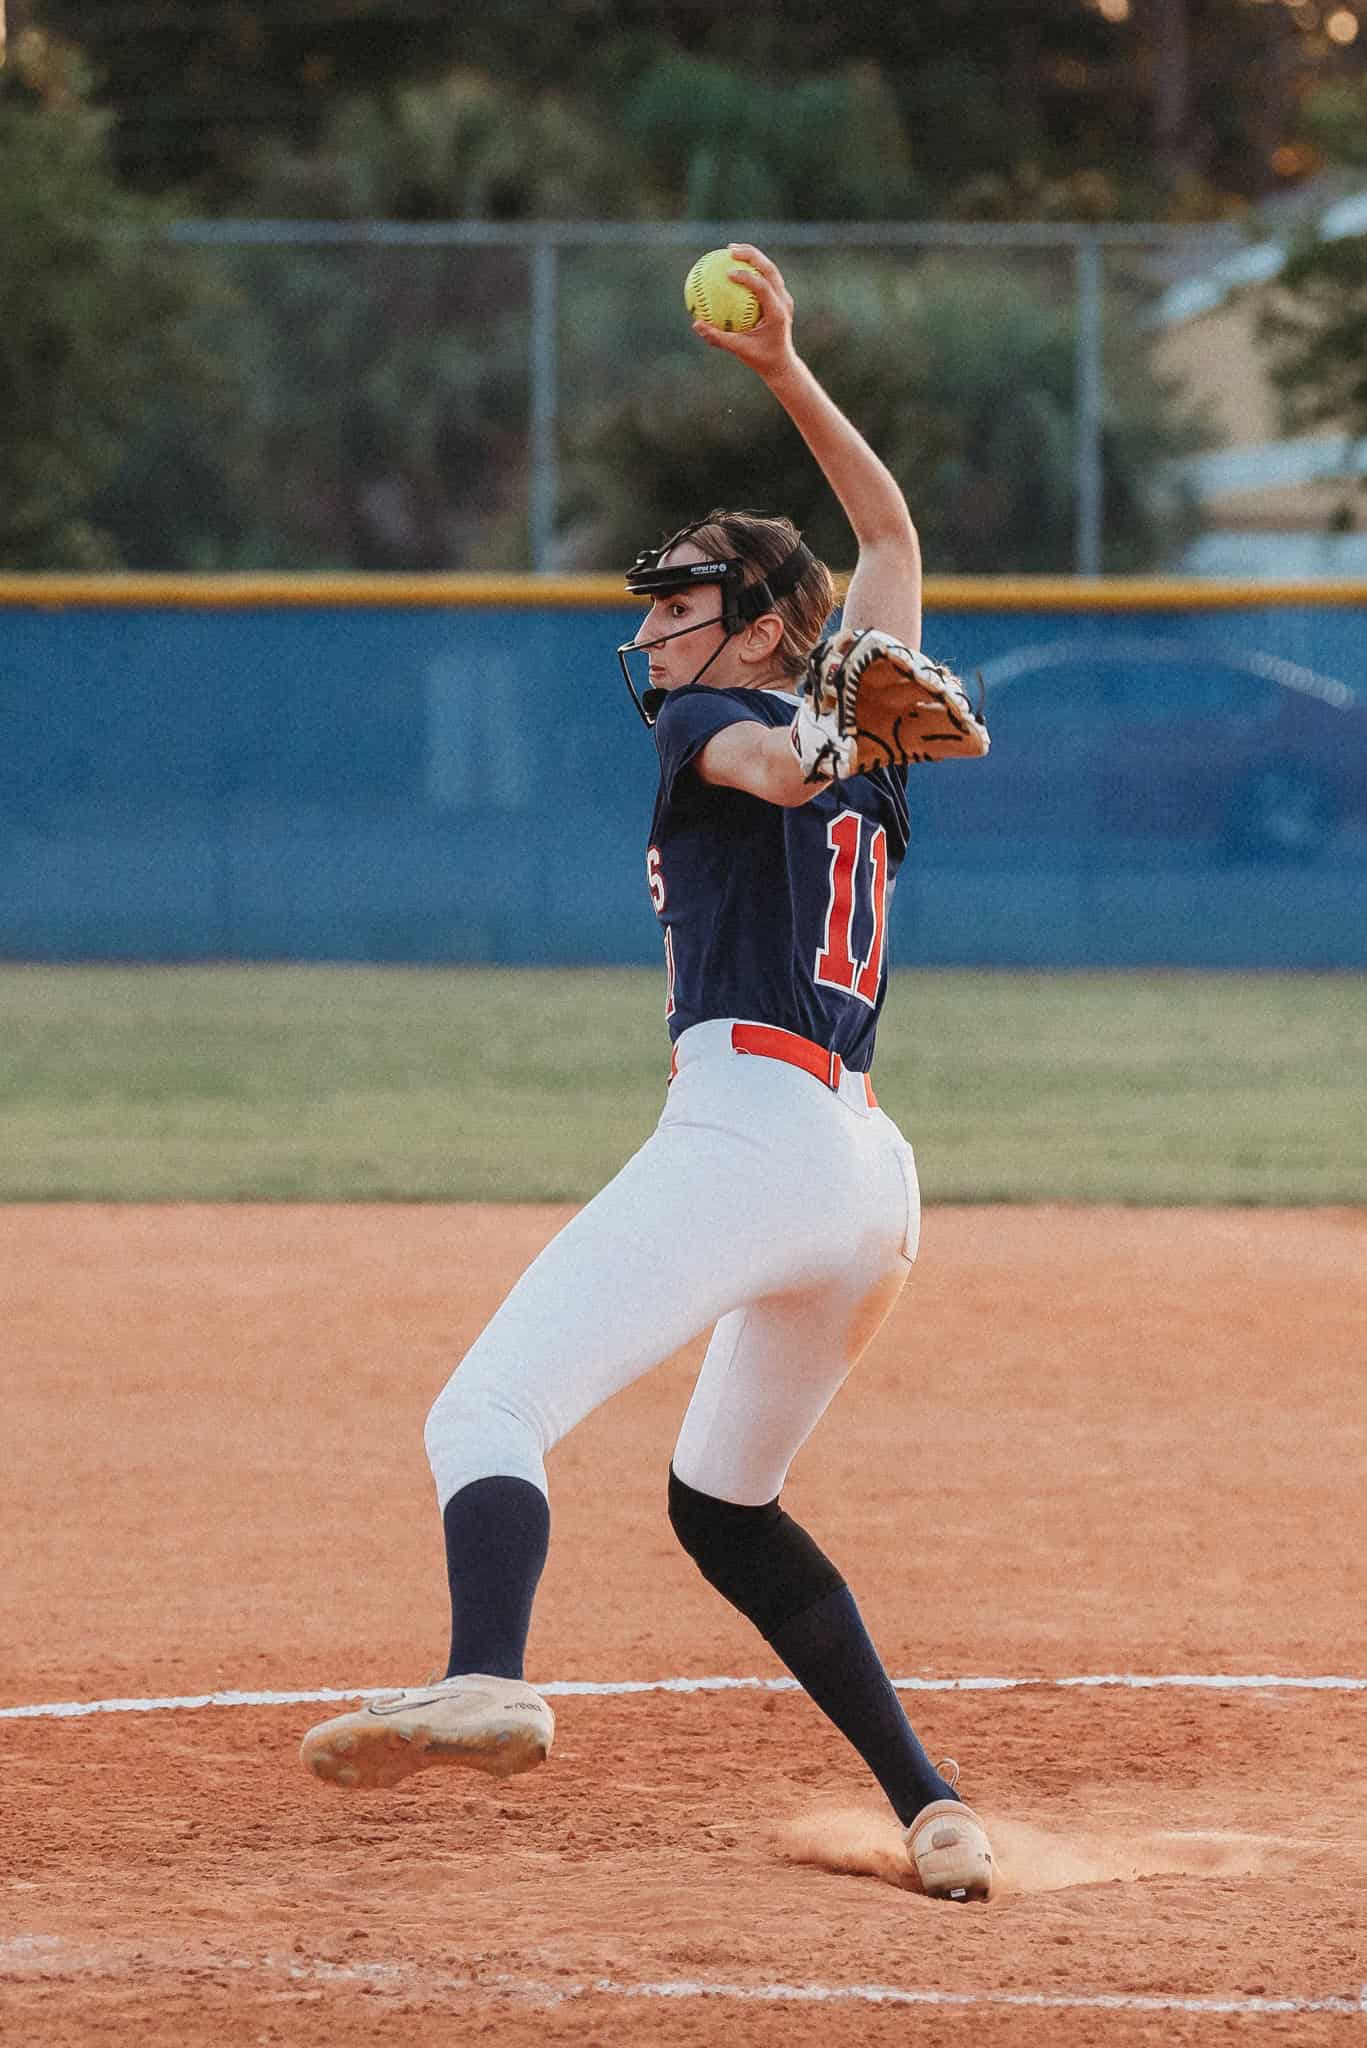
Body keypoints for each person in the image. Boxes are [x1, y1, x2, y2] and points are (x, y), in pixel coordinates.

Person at [300, 244, 994, 1904]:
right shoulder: (866, 738)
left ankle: (485, 1675)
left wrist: (812, 724)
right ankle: (934, 1807)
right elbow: (889, 541)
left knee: (486, 1406)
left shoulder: (730, 725)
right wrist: (784, 373)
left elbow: (769, 752)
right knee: (723, 1504)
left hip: (755, 1131)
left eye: (679, 598)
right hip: (870, 1187)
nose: (655, 625)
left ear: (755, 619)